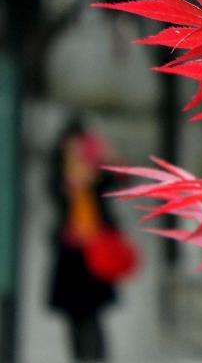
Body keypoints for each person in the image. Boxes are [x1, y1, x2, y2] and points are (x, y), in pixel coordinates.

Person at [47, 117, 119, 362]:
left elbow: (118, 178)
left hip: (95, 248)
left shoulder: (97, 173)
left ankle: (96, 356)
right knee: (73, 316)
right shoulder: (60, 173)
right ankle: (79, 356)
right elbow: (54, 195)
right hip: (70, 251)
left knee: (94, 313)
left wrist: (102, 161)